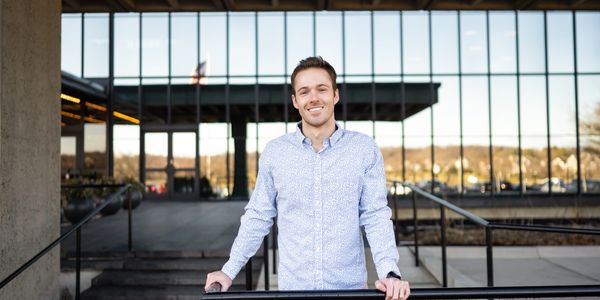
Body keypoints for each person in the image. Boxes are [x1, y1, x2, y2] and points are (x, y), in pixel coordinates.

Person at [205, 56, 410, 300]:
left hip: (350, 292)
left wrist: (390, 272)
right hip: (294, 292)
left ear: (335, 95)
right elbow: (258, 216)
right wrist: (228, 271)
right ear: (295, 101)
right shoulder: (275, 152)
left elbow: (375, 215)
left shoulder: (364, 149)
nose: (313, 98)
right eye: (304, 91)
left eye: (321, 89)